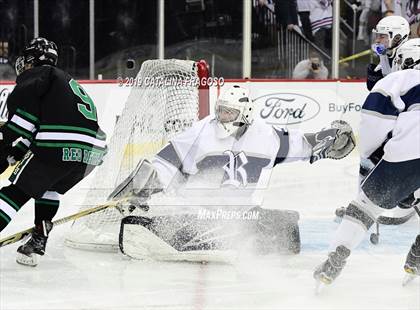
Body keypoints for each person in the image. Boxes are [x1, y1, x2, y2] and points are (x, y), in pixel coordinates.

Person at [111, 85, 356, 261]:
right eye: (221, 110)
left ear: (245, 113)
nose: (222, 117)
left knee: (285, 229)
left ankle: (215, 240)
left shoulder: (266, 137)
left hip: (240, 215)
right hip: (198, 211)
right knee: (186, 228)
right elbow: (167, 161)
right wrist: (145, 185)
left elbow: (301, 144)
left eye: (229, 112)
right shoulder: (202, 132)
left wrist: (327, 140)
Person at [313, 38, 420, 285]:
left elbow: (374, 124)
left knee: (365, 207)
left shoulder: (397, 80)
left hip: (407, 154)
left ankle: (335, 257)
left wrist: (372, 159)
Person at [0, 38, 107, 266]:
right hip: (88, 153)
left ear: (31, 60)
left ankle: (39, 233)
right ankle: (39, 236)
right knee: (49, 186)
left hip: (57, 144)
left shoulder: (37, 76)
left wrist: (3, 147)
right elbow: (36, 131)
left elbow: (20, 126)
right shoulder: (65, 83)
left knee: (17, 191)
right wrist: (15, 152)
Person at [367, 15, 410, 90]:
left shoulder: (411, 56)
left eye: (382, 37)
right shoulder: (385, 55)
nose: (377, 40)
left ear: (397, 38)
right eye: (377, 36)